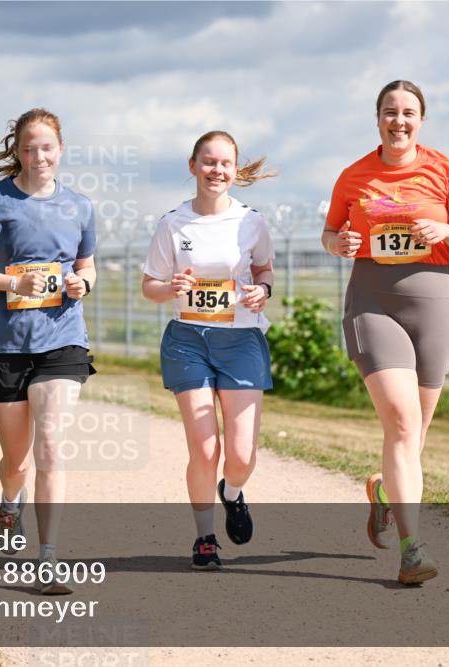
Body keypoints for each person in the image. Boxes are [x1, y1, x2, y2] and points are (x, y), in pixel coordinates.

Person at [322, 80, 449, 585]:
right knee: (402, 422)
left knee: (414, 437)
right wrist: (339, 243)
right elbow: (330, 233)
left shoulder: (444, 170)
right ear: (378, 119)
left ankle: (384, 491)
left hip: (433, 305)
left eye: (408, 112)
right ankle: (413, 550)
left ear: (421, 120)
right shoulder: (353, 176)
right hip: (373, 302)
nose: (399, 121)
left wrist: (447, 231)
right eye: (390, 112)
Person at [0, 108, 97, 594]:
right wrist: (13, 281)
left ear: (61, 149)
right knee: (16, 460)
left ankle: (48, 557)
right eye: (30, 148)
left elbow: (87, 266)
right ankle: (10, 501)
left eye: (47, 148)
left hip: (62, 338)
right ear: (17, 151)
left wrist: (81, 284)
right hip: (3, 343)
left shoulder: (80, 206)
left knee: (50, 445)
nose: (39, 157)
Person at [142, 131, 276, 570]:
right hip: (188, 340)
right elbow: (150, 286)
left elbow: (264, 270)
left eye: (225, 163)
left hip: (241, 341)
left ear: (235, 170)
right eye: (209, 161)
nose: (217, 170)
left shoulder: (251, 221)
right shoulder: (173, 223)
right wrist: (170, 287)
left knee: (241, 457)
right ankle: (204, 537)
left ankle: (232, 493)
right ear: (193, 166)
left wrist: (262, 291)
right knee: (204, 450)